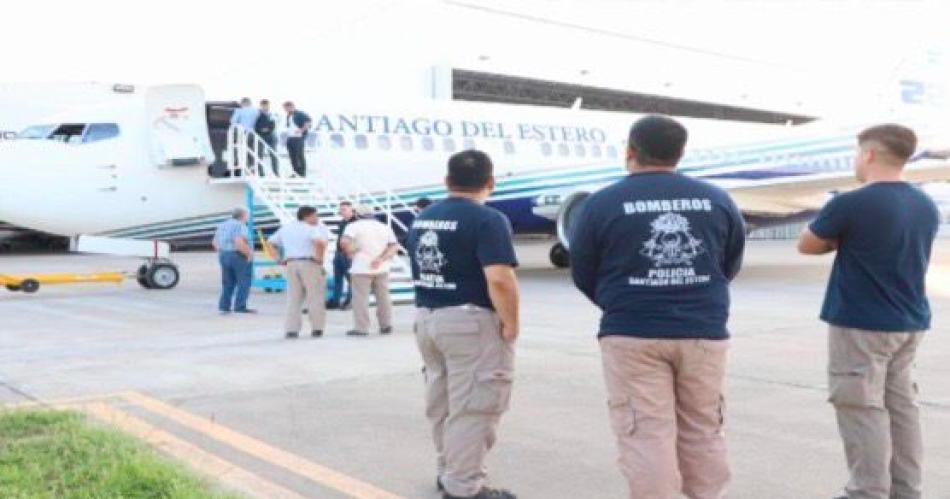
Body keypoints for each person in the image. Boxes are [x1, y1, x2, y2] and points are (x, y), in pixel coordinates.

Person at [569, 115, 745, 499]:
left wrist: (623, 301)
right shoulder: (717, 199)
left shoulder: (602, 203)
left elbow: (583, 271)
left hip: (632, 332)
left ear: (630, 151)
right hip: (703, 331)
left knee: (646, 434)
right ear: (680, 153)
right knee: (703, 428)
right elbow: (729, 262)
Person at [797, 124, 939, 499]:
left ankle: (866, 491)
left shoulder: (852, 203)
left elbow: (807, 244)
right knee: (901, 407)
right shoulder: (924, 203)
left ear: (870, 154)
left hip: (862, 324)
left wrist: (840, 238)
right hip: (908, 321)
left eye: (857, 153)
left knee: (860, 406)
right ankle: (906, 490)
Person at [406, 150, 520, 499]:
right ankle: (464, 488)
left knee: (444, 403)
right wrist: (511, 323)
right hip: (469, 322)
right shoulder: (488, 219)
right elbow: (500, 278)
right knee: (475, 408)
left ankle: (450, 472)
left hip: (428, 318)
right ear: (490, 182)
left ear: (446, 181)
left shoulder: (424, 217)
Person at [268, 206, 330, 339]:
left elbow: (270, 243)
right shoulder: (310, 229)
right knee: (315, 296)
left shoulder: (286, 228)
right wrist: (319, 259)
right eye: (315, 216)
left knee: (294, 298)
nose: (317, 219)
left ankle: (292, 329)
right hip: (309, 263)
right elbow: (320, 242)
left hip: (291, 263)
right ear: (307, 216)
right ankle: (317, 328)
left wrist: (278, 259)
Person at [340, 204, 398, 336]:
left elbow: (344, 242)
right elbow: (394, 246)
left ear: (357, 214)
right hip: (381, 267)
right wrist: (381, 259)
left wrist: (352, 253)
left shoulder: (353, 226)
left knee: (360, 299)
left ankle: (362, 328)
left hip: (361, 267)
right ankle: (386, 325)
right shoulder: (384, 227)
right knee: (383, 298)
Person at [212, 207, 256, 314]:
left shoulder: (222, 225)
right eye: (247, 215)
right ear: (243, 215)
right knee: (244, 281)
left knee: (227, 282)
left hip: (224, 254)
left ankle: (224, 306)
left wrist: (223, 251)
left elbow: (214, 242)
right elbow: (238, 241)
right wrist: (249, 254)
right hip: (238, 255)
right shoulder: (240, 225)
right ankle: (240, 306)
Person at [328, 201, 357, 310]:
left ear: (351, 210)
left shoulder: (355, 223)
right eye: (341, 210)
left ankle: (350, 301)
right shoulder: (342, 222)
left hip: (348, 253)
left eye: (344, 209)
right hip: (339, 253)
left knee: (351, 279)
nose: (342, 212)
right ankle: (335, 300)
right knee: (338, 278)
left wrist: (351, 253)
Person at [230, 98, 261, 173]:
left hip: (242, 133)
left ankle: (242, 169)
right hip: (253, 133)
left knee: (241, 150)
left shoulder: (239, 110)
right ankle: (252, 168)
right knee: (251, 151)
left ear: (242, 103)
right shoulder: (256, 111)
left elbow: (233, 121)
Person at [283, 101, 311, 177]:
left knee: (299, 156)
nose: (285, 110)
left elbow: (308, 122)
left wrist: (301, 130)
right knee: (292, 157)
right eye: (284, 108)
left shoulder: (299, 114)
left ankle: (302, 174)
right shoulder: (288, 116)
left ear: (291, 106)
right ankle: (295, 172)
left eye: (286, 108)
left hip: (298, 138)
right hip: (291, 138)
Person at [254, 99, 279, 176]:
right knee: (259, 155)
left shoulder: (273, 114)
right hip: (260, 136)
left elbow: (274, 125)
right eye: (263, 105)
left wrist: (268, 130)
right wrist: (261, 130)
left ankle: (276, 173)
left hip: (271, 136)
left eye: (266, 105)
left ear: (269, 105)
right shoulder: (257, 114)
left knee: (273, 155)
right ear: (261, 106)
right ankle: (261, 174)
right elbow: (255, 125)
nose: (265, 107)